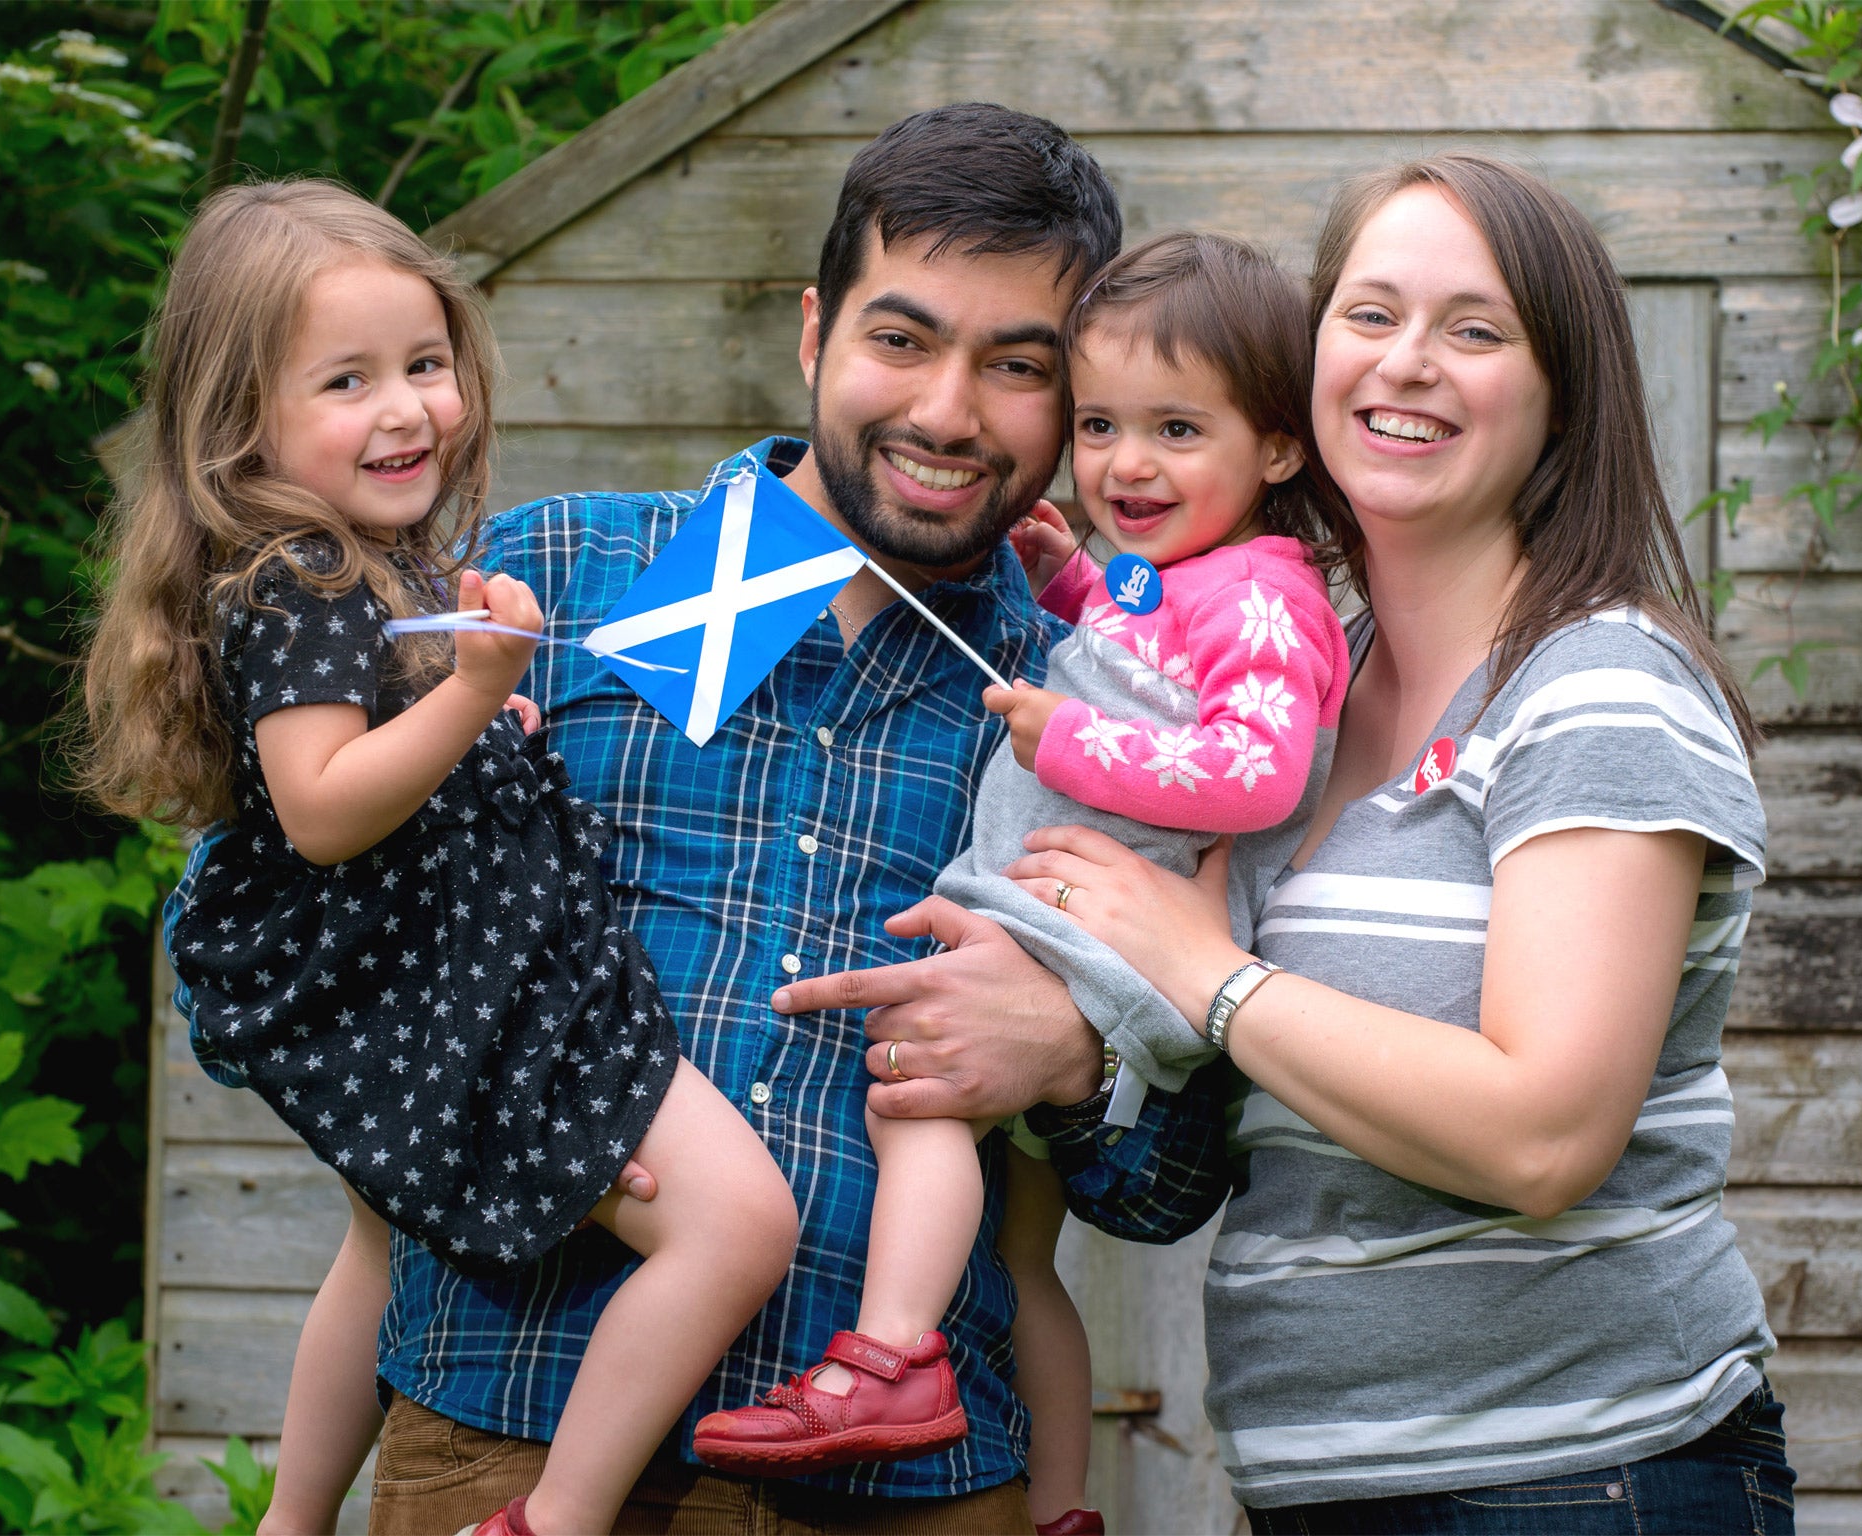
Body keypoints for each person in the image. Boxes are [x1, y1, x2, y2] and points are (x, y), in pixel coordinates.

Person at [358, 103, 1181, 1535]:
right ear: (816, 334)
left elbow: (1172, 1181)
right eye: (902, 339)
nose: (945, 411)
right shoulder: (556, 585)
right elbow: (250, 927)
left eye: (1017, 368)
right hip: (513, 1428)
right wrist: (457, 1069)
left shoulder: (1096, 705)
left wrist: (1071, 1056)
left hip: (909, 1487)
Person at [984, 152, 1799, 1532]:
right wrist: (1065, 1044)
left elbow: (1544, 1136)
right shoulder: (1296, 698)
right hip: (1318, 1485)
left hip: (1577, 1479)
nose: (1407, 363)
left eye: (1473, 330)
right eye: (1369, 316)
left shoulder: (1594, 684)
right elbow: (1205, 1166)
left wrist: (1211, 978)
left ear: (1560, 394)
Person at [77, 180, 798, 1536]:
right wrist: (472, 694)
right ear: (243, 427)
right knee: (738, 1225)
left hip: (406, 976)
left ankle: (292, 1522)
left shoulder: (365, 561)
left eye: (423, 363)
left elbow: (373, 753)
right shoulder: (303, 578)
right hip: (425, 988)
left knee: (383, 1244)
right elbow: (322, 806)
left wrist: (468, 718)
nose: (407, 407)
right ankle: (559, 1514)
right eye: (347, 381)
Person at [694, 233, 1348, 1536]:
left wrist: (1068, 739)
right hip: (1069, 913)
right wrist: (1069, 580)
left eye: (1172, 427)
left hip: (1087, 924)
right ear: (815, 330)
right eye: (1101, 425)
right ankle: (1061, 1501)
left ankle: (887, 1357)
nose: (1126, 464)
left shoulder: (1270, 596)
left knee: (920, 1087)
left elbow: (1258, 773)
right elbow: (1144, 642)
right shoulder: (1194, 570)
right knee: (1018, 1246)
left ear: (1277, 446)